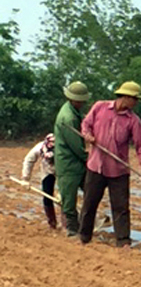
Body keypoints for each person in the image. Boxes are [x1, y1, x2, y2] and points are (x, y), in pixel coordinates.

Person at [78, 81, 141, 247]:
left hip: (118, 170)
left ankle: (123, 241)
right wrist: (87, 135)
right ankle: (84, 237)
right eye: (135, 99)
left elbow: (140, 147)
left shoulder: (133, 121)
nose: (136, 103)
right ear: (125, 97)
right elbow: (85, 125)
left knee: (121, 208)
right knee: (89, 203)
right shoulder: (100, 107)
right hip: (96, 166)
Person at [54, 81, 90, 236]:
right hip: (68, 163)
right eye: (80, 100)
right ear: (73, 99)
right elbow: (76, 146)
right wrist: (88, 158)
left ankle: (84, 224)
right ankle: (72, 229)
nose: (82, 103)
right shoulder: (67, 118)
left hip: (77, 163)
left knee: (90, 191)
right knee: (69, 199)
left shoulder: (74, 112)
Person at [20, 133, 58, 229]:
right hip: (47, 170)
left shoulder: (63, 148)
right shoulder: (39, 148)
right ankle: (52, 223)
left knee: (65, 198)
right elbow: (28, 160)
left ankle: (69, 225)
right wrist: (25, 179)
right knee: (47, 195)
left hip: (63, 171)